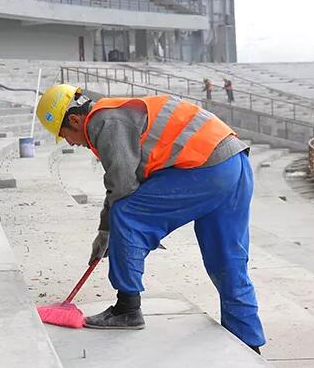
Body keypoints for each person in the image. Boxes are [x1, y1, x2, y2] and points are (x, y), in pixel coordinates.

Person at [35, 84, 265, 354]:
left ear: (75, 120)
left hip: (206, 169)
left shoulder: (104, 121)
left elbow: (122, 187)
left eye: (65, 135)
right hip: (234, 162)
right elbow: (126, 180)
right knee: (228, 260)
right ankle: (249, 345)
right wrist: (107, 232)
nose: (71, 143)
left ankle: (127, 308)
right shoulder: (117, 114)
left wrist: (107, 231)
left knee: (127, 214)